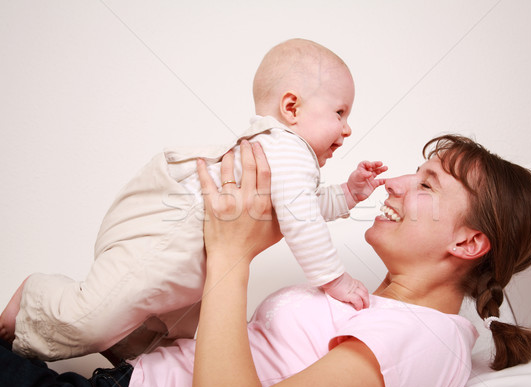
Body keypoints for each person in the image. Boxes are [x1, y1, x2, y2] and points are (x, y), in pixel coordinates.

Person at [0, 135, 531, 387]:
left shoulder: (422, 340)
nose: (395, 182)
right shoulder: (378, 307)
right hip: (121, 383)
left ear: (469, 242)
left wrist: (233, 255)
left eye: (427, 184)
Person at [0, 38, 387, 363]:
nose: (347, 128)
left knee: (151, 341)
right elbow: (302, 220)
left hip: (191, 267)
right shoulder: (289, 148)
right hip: (165, 242)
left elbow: (301, 208)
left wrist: (348, 194)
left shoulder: (286, 157)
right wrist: (334, 279)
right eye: (340, 113)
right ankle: (35, 294)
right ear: (291, 108)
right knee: (90, 321)